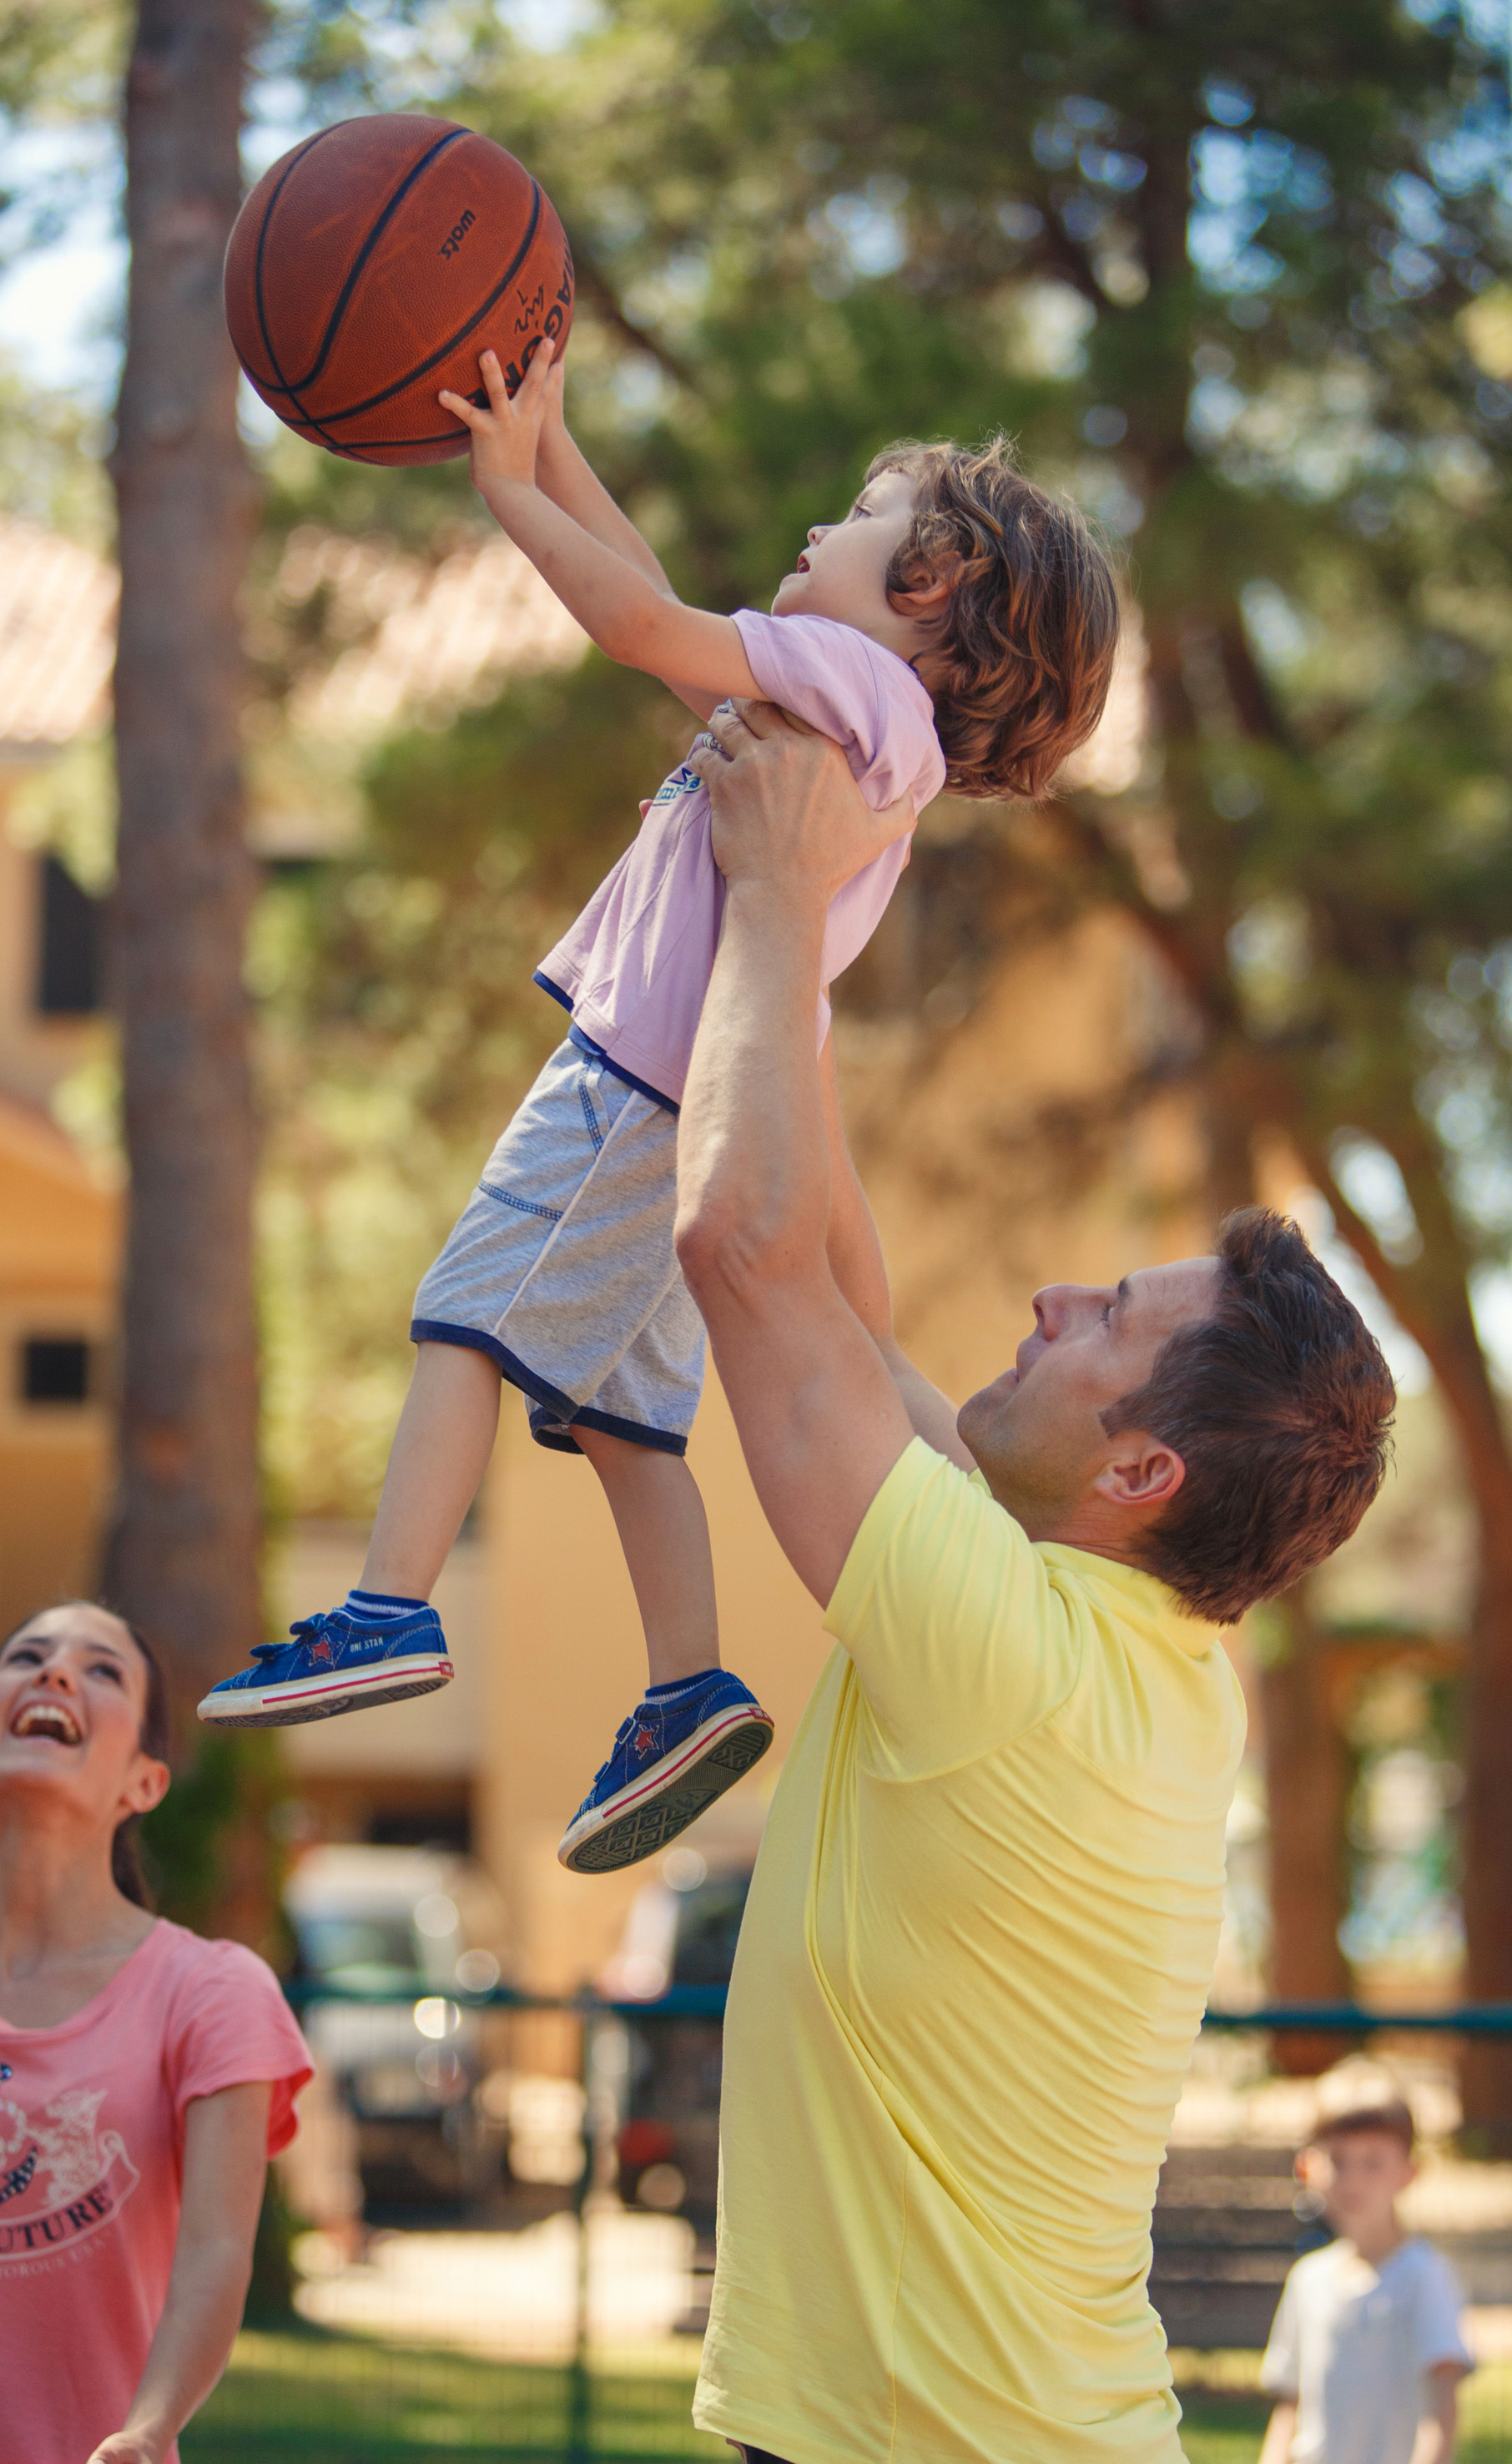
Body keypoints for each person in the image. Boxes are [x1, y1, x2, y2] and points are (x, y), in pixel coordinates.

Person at [199, 335, 1121, 1882]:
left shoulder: (852, 684)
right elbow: (648, 590)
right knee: (625, 1420)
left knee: (463, 1322)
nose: (818, 533)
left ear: (928, 583)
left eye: (859, 517)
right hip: (696, 1101)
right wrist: (547, 443)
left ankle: (389, 1604)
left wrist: (504, 487)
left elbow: (631, 618)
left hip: (630, 1083)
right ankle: (684, 1683)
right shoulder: (867, 717)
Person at [665, 702, 1399, 2463]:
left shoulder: (1015, 1657)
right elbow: (843, 1292)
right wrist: (819, 922)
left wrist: (772, 887)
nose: (1061, 1301)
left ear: (1144, 1472)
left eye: (1113, 1322)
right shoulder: (1105, 1642)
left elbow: (745, 1255)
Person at [0, 1600, 312, 2464]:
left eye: (102, 1669)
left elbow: (214, 2255)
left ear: (145, 1781)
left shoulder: (210, 1992)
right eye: (27, 1657)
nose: (55, 1674)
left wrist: (148, 2428)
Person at [1260, 2099, 1474, 2464]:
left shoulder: (1425, 2276)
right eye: (1338, 2161)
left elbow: (1442, 2410)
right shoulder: (1308, 2279)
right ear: (1307, 2167)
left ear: (1410, 2172)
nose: (1353, 2179)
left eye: (1373, 2163)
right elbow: (1292, 2406)